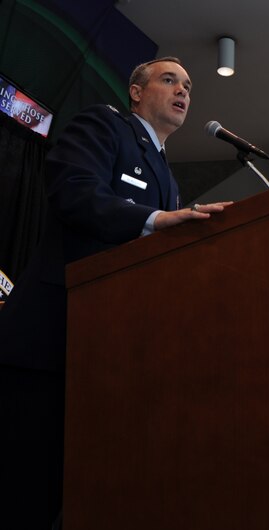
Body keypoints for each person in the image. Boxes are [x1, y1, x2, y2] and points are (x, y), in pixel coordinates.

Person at [0, 57, 232, 529]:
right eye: (169, 80)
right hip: (51, 341)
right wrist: (156, 220)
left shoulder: (168, 179)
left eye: (187, 85)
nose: (182, 90)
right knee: (19, 494)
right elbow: (73, 191)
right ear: (136, 91)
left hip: (110, 357)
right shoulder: (104, 126)